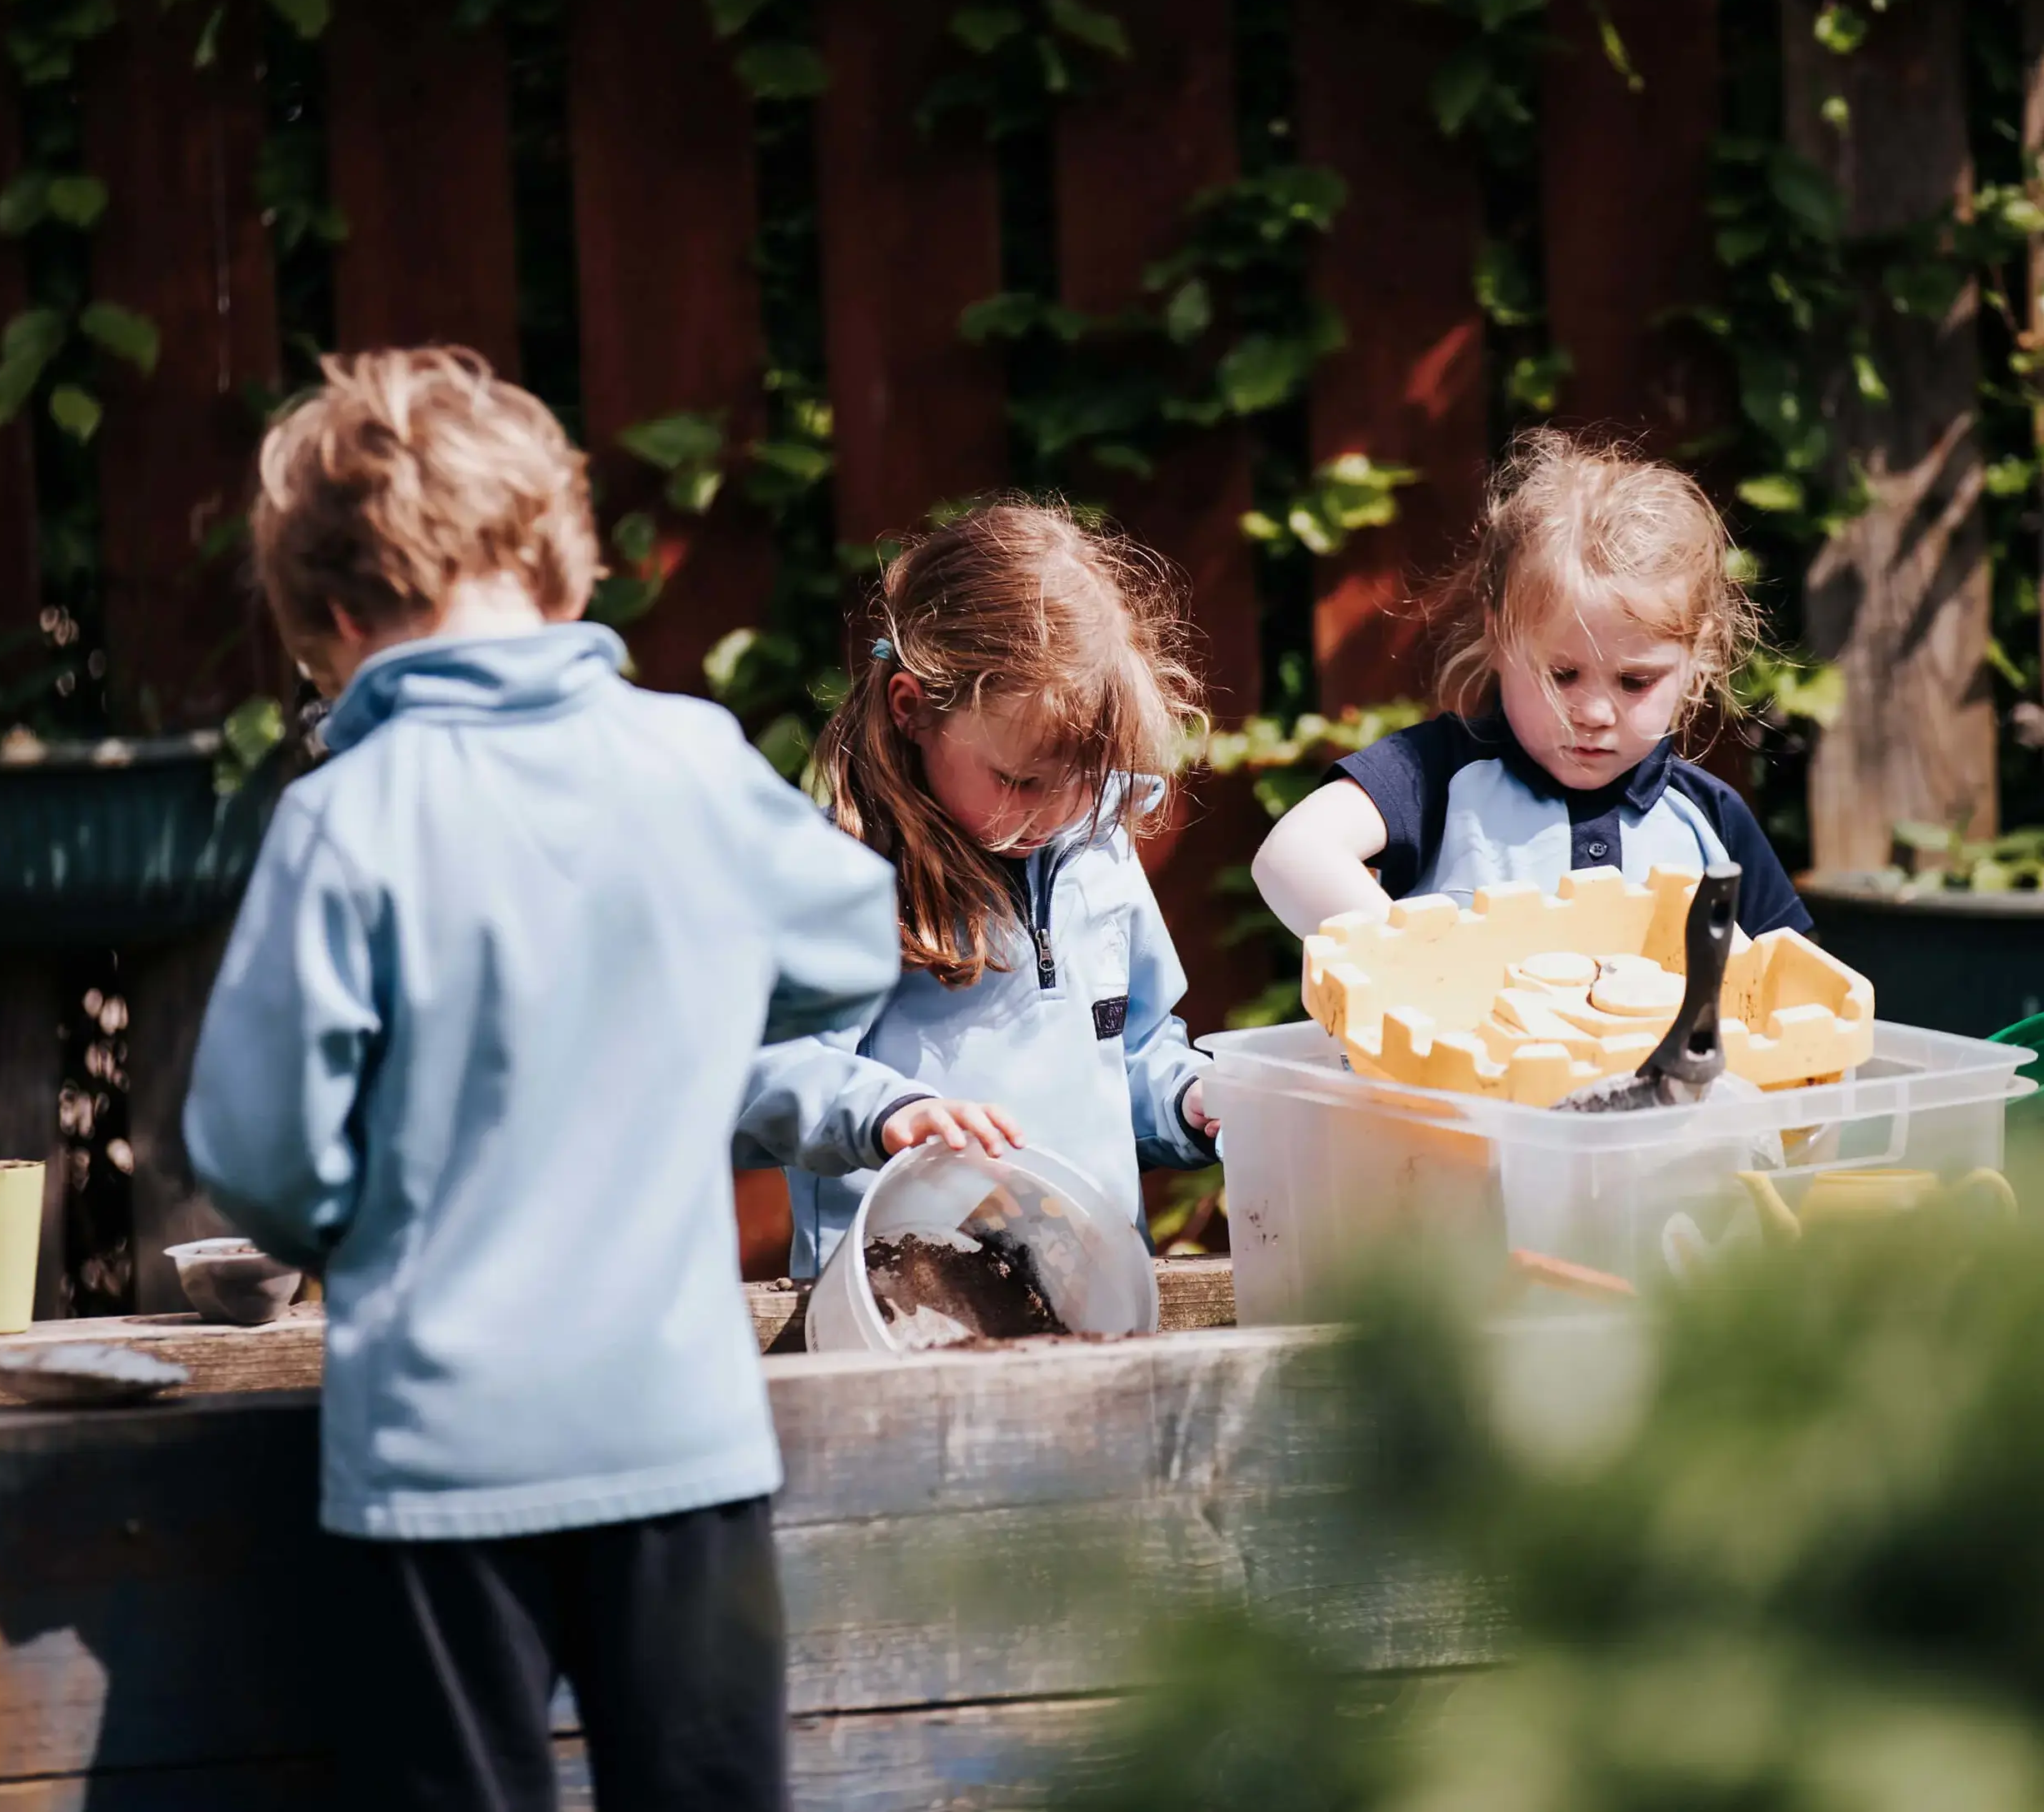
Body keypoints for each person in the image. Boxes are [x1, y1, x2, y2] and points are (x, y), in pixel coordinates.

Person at [182, 347, 900, 1812]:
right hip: (682, 1437)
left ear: (330, 621)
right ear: (570, 575)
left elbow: (260, 1156)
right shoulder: (692, 761)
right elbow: (851, 940)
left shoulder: (344, 818)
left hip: (438, 1462)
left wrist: (357, 1209)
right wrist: (685, 1024)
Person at [733, 495, 1221, 1277]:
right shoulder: (841, 877)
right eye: (1021, 779)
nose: (1055, 811)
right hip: (906, 1308)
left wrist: (1192, 1101)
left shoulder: (1098, 850)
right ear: (913, 711)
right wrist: (889, 1113)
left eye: (1082, 779)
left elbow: (1131, 1055)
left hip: (1092, 1304)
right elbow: (764, 1067)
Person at [1252, 428, 1808, 940]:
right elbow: (1293, 856)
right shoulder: (1439, 773)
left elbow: (1803, 990)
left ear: (1698, 658)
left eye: (1634, 681)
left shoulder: (1707, 817)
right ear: (1497, 636)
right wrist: (1422, 972)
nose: (1592, 711)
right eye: (1561, 674)